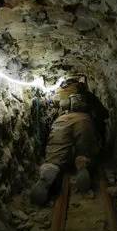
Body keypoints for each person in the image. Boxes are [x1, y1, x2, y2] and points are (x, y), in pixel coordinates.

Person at [30, 76, 109, 205]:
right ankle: (82, 163)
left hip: (61, 121)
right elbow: (104, 114)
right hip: (83, 120)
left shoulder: (58, 96)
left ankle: (49, 173)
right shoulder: (85, 95)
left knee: (54, 158)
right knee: (85, 153)